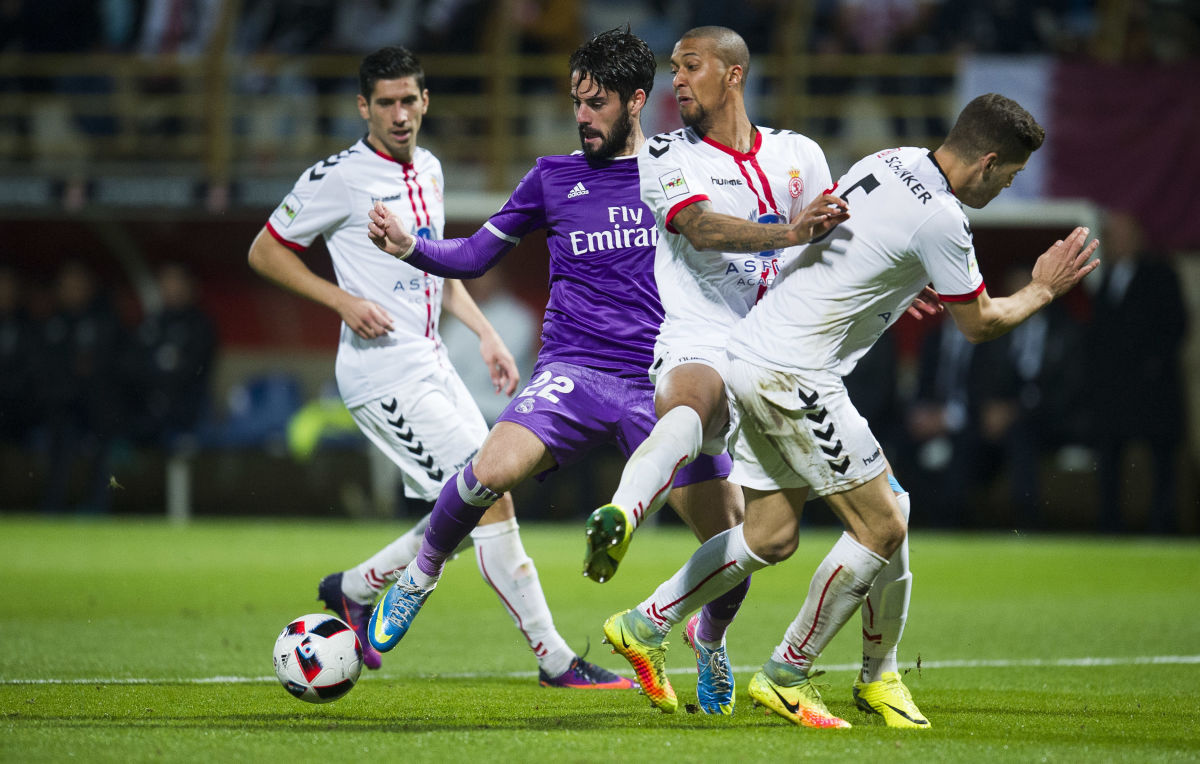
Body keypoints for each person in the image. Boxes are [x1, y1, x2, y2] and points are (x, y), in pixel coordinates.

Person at [603, 93, 1100, 729]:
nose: (1006, 187)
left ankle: (646, 623)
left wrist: (899, 278)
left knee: (771, 536)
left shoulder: (892, 161)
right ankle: (789, 672)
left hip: (753, 353)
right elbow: (979, 324)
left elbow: (855, 236)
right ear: (989, 160)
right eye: (1010, 175)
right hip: (795, 375)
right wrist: (1042, 288)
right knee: (884, 525)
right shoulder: (945, 220)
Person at [365, 27, 767, 713]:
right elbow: (473, 257)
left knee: (734, 548)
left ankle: (711, 643)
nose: (583, 116)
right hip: (575, 370)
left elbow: (757, 247)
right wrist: (412, 247)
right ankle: (419, 575)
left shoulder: (682, 171)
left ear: (637, 101)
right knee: (489, 470)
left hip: (666, 380)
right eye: (577, 101)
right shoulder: (554, 178)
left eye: (598, 103)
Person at [248, 46, 625, 690]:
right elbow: (264, 251)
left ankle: (355, 588)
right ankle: (555, 659)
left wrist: (484, 334)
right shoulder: (339, 176)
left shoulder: (430, 168)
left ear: (426, 101)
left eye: (409, 100)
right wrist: (343, 300)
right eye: (386, 103)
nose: (400, 114)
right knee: (488, 499)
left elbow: (438, 262)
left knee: (471, 496)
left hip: (433, 359)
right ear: (364, 107)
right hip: (381, 374)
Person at [1085, 210, 1187, 533]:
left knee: (1161, 461)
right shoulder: (1106, 278)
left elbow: (1177, 325)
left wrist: (1151, 366)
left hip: (1152, 388)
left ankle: (1163, 524)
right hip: (1114, 390)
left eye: (1120, 234)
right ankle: (1110, 524)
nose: (1115, 241)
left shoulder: (1160, 274)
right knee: (1111, 458)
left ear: (1137, 237)